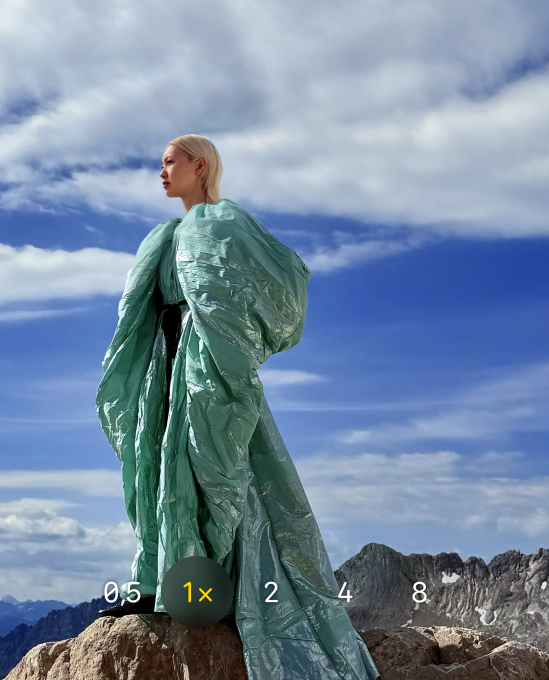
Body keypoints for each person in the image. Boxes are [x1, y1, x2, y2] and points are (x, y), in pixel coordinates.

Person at [94, 134, 381, 680]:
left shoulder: (225, 223)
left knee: (218, 470)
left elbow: (282, 277)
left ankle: (212, 585)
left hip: (208, 366)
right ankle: (165, 580)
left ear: (200, 166)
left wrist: (228, 338)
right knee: (162, 471)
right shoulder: (164, 237)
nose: (161, 172)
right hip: (164, 369)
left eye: (170, 162)